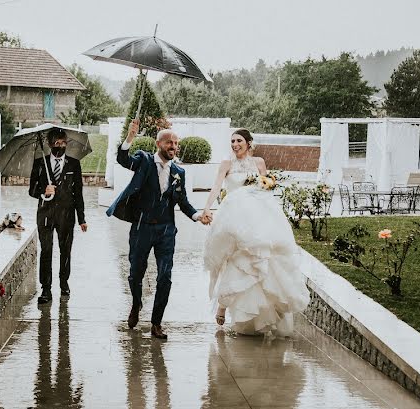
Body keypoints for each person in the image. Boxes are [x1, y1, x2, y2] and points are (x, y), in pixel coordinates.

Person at [106, 118, 210, 339]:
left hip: (166, 231)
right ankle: (136, 304)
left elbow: (183, 202)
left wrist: (197, 215)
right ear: (158, 144)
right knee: (135, 274)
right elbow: (123, 159)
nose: (173, 147)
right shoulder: (143, 161)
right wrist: (130, 137)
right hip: (142, 227)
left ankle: (156, 323)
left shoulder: (178, 173)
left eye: (176, 143)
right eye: (169, 143)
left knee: (165, 277)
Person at [201, 129, 310, 337]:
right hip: (233, 217)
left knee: (257, 259)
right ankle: (222, 306)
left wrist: (266, 189)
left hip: (256, 217)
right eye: (232, 141)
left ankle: (261, 309)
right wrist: (206, 208)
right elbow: (216, 187)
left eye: (239, 140)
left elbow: (266, 188)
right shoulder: (226, 164)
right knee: (230, 258)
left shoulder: (259, 162)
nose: (235, 144)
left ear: (248, 143)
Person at [29, 127, 86, 304]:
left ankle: (64, 282)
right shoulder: (40, 163)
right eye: (56, 143)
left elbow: (78, 193)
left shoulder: (74, 164)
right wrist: (42, 191)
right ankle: (46, 289)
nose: (60, 146)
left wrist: (82, 218)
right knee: (46, 250)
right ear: (49, 144)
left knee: (65, 251)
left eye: (63, 143)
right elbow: (31, 190)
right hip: (45, 214)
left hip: (67, 215)